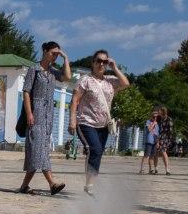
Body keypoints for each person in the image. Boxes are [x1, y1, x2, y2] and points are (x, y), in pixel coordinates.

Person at [69, 49, 129, 194]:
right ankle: (89, 185)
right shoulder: (85, 80)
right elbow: (75, 100)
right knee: (94, 149)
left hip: (103, 125)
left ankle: (90, 184)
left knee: (98, 153)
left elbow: (126, 84)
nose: (101, 64)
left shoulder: (110, 81)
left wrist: (114, 67)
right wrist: (72, 120)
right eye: (98, 61)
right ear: (93, 63)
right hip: (86, 122)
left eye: (104, 61)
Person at [19, 41, 70, 195]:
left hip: (48, 115)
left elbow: (67, 77)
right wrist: (29, 113)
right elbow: (26, 91)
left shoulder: (53, 71)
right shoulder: (34, 69)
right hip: (36, 112)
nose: (55, 57)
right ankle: (52, 183)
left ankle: (24, 186)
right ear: (45, 51)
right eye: (53, 53)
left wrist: (65, 58)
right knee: (37, 148)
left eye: (57, 55)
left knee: (40, 149)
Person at [155, 105, 173, 174]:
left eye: (159, 111)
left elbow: (170, 130)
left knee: (163, 151)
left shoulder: (169, 119)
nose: (158, 112)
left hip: (165, 137)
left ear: (162, 111)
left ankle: (167, 169)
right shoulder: (159, 119)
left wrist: (168, 139)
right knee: (156, 152)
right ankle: (156, 168)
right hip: (159, 136)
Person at [141, 109, 160, 175]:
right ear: (151, 116)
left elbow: (157, 134)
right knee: (146, 155)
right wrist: (153, 124)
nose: (155, 118)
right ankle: (142, 169)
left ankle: (150, 169)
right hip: (149, 141)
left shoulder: (157, 124)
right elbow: (149, 129)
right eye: (154, 116)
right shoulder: (148, 122)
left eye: (156, 117)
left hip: (154, 141)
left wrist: (158, 142)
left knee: (152, 156)